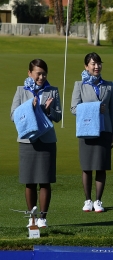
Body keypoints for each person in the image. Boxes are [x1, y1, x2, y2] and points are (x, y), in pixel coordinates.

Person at [10, 59, 61, 228]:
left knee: (45, 180)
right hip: (27, 141)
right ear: (29, 73)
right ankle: (31, 219)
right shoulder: (21, 91)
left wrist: (48, 110)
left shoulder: (53, 91)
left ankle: (43, 218)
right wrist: (30, 108)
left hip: (47, 140)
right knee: (30, 181)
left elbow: (58, 116)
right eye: (38, 73)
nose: (41, 76)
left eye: (44, 73)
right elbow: (13, 115)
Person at [71, 52, 113, 213]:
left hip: (104, 130)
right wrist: (94, 108)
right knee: (87, 167)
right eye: (93, 64)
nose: (97, 66)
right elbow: (73, 108)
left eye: (99, 63)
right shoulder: (79, 85)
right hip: (86, 131)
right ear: (86, 66)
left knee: (101, 166)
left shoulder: (108, 85)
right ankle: (87, 200)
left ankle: (98, 200)